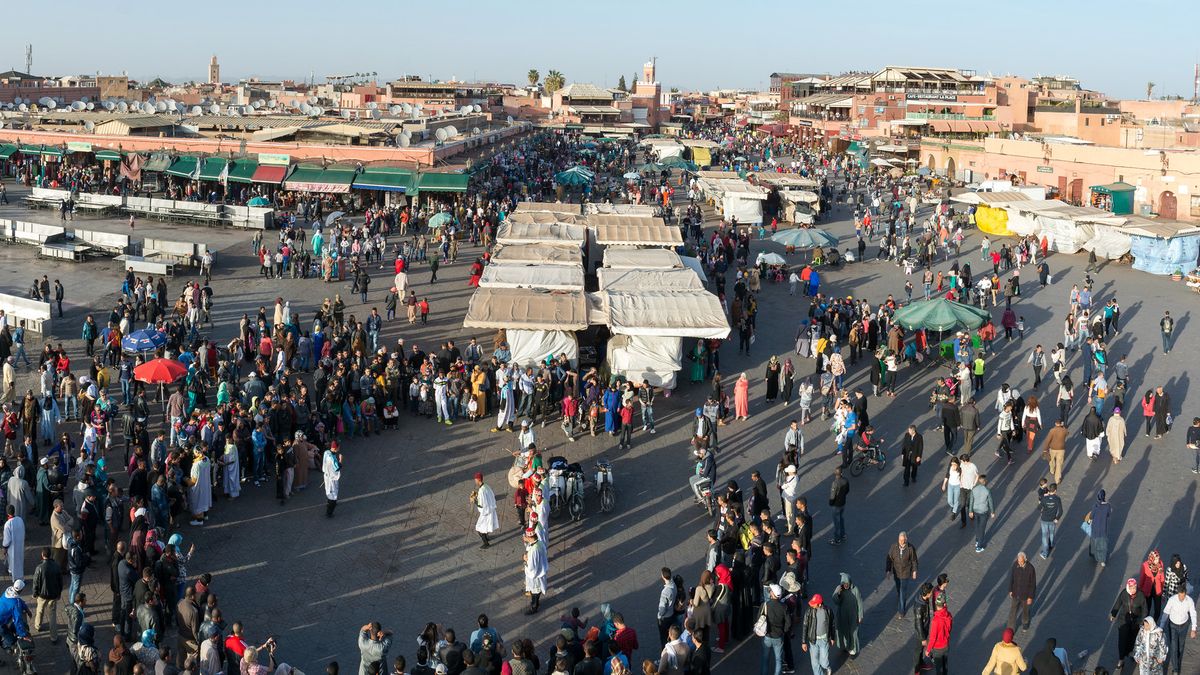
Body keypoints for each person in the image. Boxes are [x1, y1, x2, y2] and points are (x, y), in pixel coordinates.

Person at [1111, 578, 1149, 669]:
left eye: (1135, 587)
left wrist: (1142, 621)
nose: (1133, 589)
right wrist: (1113, 613)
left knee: (1133, 639)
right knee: (1122, 640)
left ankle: (1131, 653)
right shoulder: (1124, 593)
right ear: (1128, 587)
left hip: (1136, 621)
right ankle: (1121, 659)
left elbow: (1144, 610)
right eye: (1131, 588)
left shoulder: (1141, 595)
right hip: (1123, 620)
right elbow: (1118, 603)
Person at [1160, 584, 1197, 674]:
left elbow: (1193, 613)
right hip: (1173, 626)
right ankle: (1175, 669)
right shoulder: (1172, 600)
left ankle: (1177, 661)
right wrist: (1161, 627)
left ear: (1185, 593)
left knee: (1180, 647)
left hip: (1184, 626)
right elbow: (1166, 613)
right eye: (1180, 596)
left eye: (1183, 596)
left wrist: (1193, 628)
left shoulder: (1189, 601)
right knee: (1174, 646)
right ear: (1177, 594)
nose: (1181, 598)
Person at [31, 547, 61, 643]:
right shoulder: (56, 566)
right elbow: (60, 582)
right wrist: (59, 593)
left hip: (42, 595)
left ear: (42, 555)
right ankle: (53, 637)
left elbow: (36, 582)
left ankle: (38, 626)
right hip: (53, 594)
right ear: (50, 555)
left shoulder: (39, 568)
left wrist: (35, 593)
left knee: (40, 610)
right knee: (52, 615)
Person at [885, 531, 918, 617]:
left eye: (903, 540)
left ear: (906, 539)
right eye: (900, 540)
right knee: (898, 588)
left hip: (905, 574)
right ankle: (899, 596)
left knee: (903, 592)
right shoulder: (893, 547)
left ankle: (901, 611)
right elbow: (889, 559)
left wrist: (914, 571)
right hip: (896, 573)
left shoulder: (910, 548)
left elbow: (914, 560)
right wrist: (888, 570)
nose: (901, 542)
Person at [758, 584, 788, 675]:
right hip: (778, 636)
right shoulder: (783, 607)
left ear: (772, 594)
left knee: (765, 658)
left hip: (767, 635)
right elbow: (788, 622)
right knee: (778, 660)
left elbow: (759, 618)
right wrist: (783, 631)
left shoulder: (765, 605)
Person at [831, 573, 862, 657]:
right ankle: (845, 645)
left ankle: (852, 648)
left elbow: (859, 603)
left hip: (853, 615)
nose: (846, 585)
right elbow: (835, 601)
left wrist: (860, 615)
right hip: (842, 615)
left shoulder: (855, 590)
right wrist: (838, 594)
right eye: (844, 584)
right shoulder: (839, 589)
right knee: (844, 631)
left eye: (847, 584)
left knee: (853, 632)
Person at [800, 593, 832, 675]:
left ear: (820, 604)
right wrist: (804, 642)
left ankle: (827, 667)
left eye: (814, 604)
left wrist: (832, 637)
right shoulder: (809, 611)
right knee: (815, 663)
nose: (812, 605)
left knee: (824, 662)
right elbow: (805, 626)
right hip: (813, 640)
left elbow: (832, 624)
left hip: (824, 640)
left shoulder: (828, 611)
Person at [1007, 552, 1036, 632]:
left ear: (1025, 560)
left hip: (1025, 595)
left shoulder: (1030, 569)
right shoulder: (1015, 565)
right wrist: (1010, 590)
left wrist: (1030, 597)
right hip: (1016, 593)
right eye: (1018, 561)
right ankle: (1010, 629)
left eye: (1021, 561)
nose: (1019, 563)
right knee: (1013, 611)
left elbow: (1033, 584)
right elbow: (1012, 578)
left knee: (1025, 611)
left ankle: (1025, 623)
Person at [925, 594, 951, 675]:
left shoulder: (935, 621)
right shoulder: (949, 615)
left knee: (939, 668)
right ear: (944, 604)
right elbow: (950, 629)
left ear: (936, 605)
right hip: (946, 645)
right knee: (945, 665)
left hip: (937, 648)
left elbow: (932, 638)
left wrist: (928, 650)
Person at [1037, 482, 1062, 559]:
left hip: (1044, 519)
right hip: (1052, 520)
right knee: (1051, 533)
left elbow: (1039, 508)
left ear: (1049, 490)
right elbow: (1061, 511)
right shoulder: (1057, 499)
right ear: (1055, 490)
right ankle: (1051, 544)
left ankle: (1045, 553)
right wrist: (1057, 519)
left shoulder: (1044, 499)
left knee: (1044, 536)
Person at [969, 475, 994, 552]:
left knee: (977, 527)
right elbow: (990, 502)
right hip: (983, 512)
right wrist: (992, 511)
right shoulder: (987, 491)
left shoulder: (974, 489)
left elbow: (971, 501)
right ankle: (979, 547)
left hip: (975, 511)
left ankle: (977, 540)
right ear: (984, 481)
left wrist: (970, 511)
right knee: (982, 529)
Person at [1087, 490, 1112, 567]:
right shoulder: (1108, 506)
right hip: (1103, 528)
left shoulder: (1095, 506)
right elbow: (1108, 514)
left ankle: (1093, 554)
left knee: (1094, 540)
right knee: (1103, 544)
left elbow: (1091, 516)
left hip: (1095, 527)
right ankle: (1102, 561)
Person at [2, 504, 26, 582]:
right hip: (20, 544)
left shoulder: (8, 524)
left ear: (7, 513)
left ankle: (15, 577)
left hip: (12, 547)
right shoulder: (20, 519)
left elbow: (7, 539)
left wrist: (5, 547)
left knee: (12, 561)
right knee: (19, 560)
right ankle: (19, 575)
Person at [827, 468, 848, 545]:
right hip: (843, 503)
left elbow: (832, 496)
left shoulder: (835, 483)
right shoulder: (845, 480)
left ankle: (837, 539)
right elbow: (847, 490)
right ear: (841, 473)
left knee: (837, 522)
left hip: (836, 505)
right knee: (841, 519)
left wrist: (831, 503)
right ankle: (843, 535)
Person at [323, 442, 343, 517]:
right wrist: (340, 460)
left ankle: (329, 502)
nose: (339, 449)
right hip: (332, 478)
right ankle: (329, 512)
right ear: (336, 448)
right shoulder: (331, 458)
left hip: (326, 475)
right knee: (333, 494)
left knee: (328, 490)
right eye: (338, 447)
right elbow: (337, 467)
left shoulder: (326, 452)